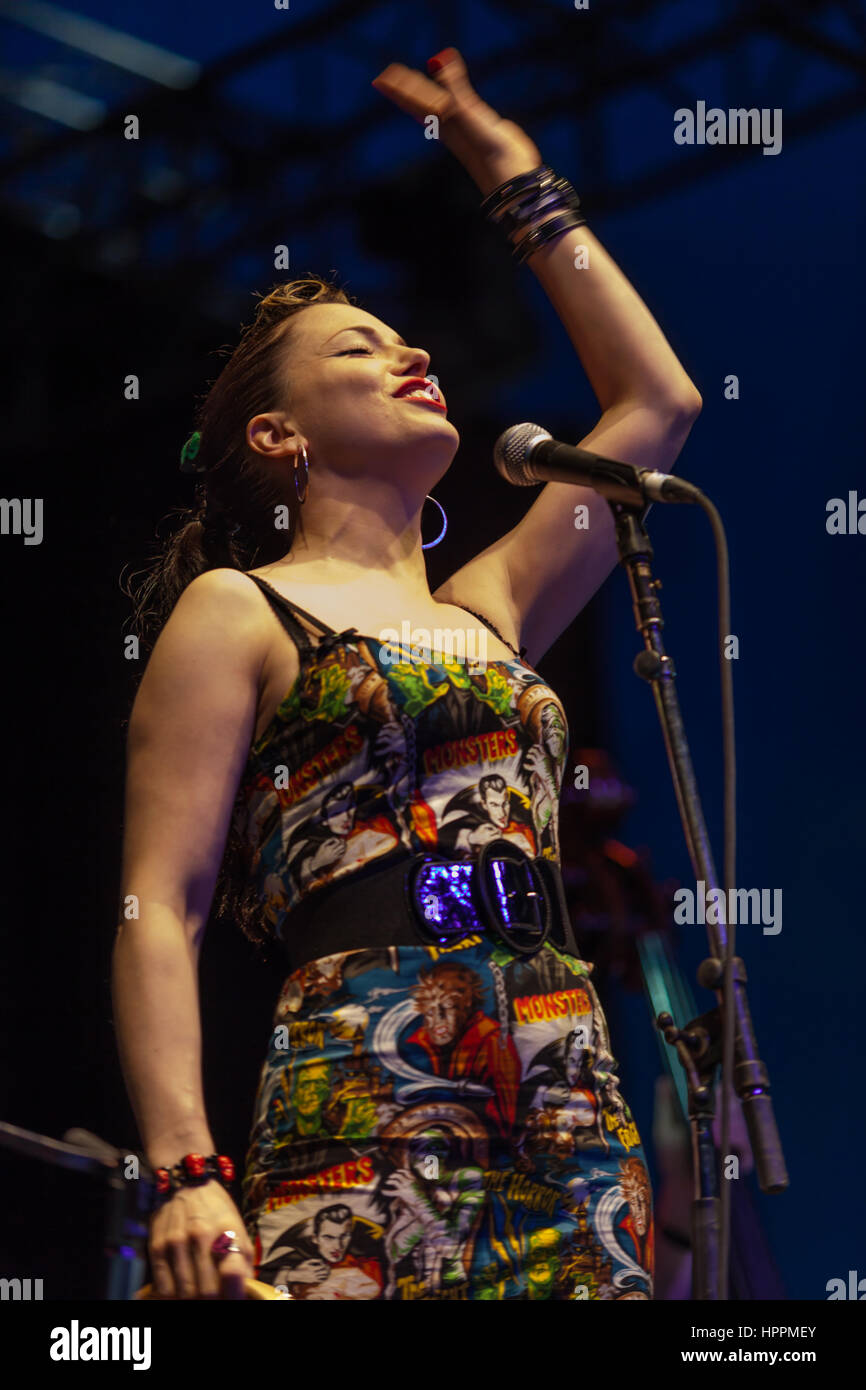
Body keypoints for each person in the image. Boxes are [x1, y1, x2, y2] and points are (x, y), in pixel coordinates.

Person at [111, 47, 701, 1301]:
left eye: (404, 337)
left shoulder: (488, 611)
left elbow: (655, 403)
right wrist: (181, 1168)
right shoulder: (242, 609)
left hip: (564, 1087)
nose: (408, 352)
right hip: (362, 1078)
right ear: (279, 436)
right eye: (356, 352)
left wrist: (512, 174)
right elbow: (158, 903)